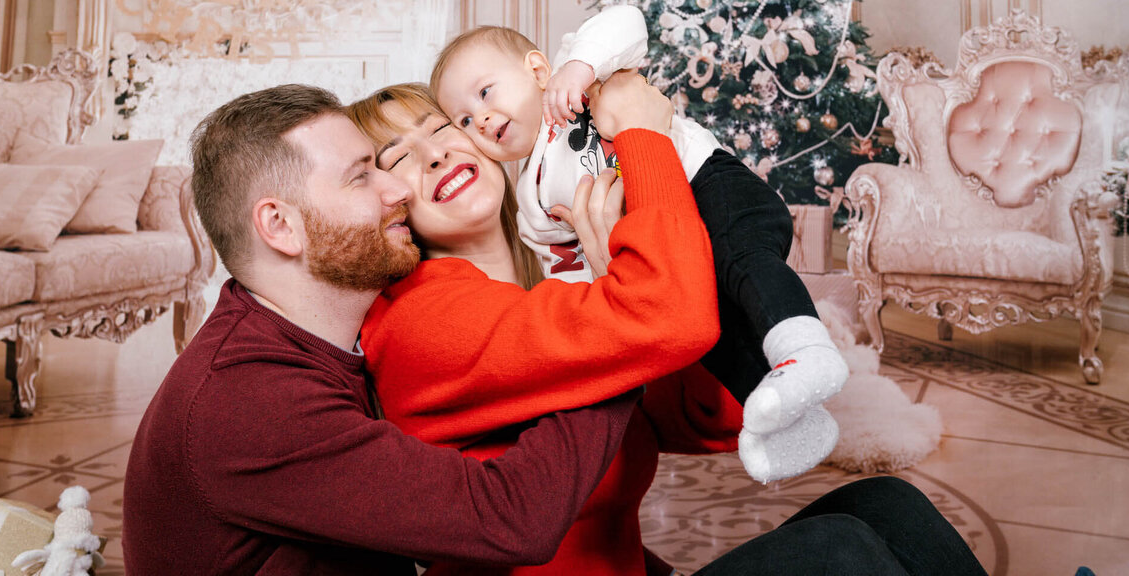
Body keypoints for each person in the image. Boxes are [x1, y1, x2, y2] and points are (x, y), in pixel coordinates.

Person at [348, 74, 988, 576]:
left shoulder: (541, 289)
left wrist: (651, 296)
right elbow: (667, 320)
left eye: (440, 128)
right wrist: (641, 136)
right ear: (385, 204)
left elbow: (702, 414)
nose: (434, 155)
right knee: (837, 554)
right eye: (399, 156)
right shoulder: (420, 319)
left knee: (889, 507)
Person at [121, 84, 647, 575]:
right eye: (362, 175)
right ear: (280, 226)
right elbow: (511, 519)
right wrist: (615, 315)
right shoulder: (247, 401)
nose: (396, 189)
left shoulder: (315, 342)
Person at [429, 6, 846, 483]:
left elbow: (627, 22)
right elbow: (563, 269)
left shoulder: (574, 77)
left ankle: (806, 348)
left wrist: (582, 64)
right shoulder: (532, 192)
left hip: (705, 184)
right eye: (463, 120)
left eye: (485, 92)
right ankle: (793, 419)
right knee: (714, 332)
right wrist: (601, 305)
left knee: (742, 257)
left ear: (537, 70)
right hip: (673, 248)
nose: (480, 117)